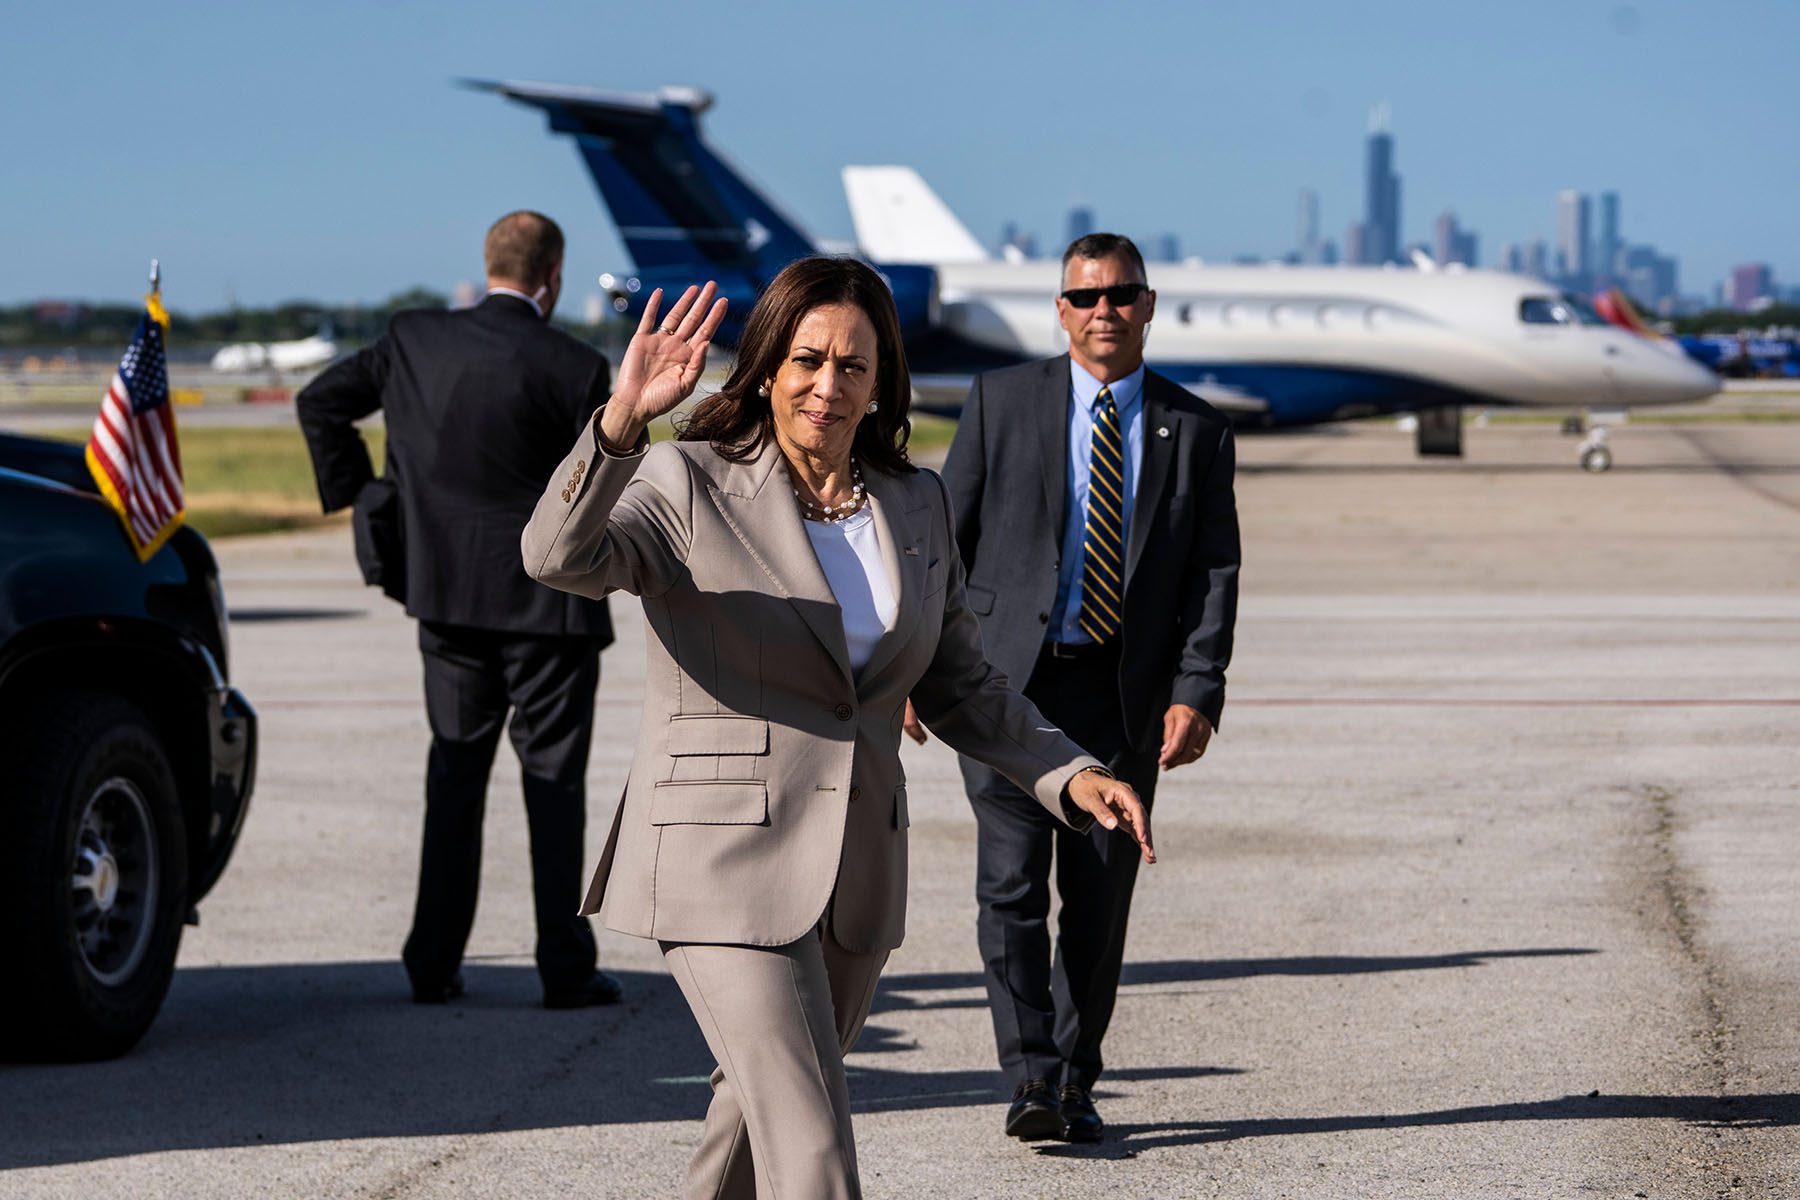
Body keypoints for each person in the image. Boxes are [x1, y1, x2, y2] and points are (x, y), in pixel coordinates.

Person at [521, 257, 1154, 1198]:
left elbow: (959, 681)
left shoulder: (914, 502)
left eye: (852, 365)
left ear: (881, 380)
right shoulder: (686, 479)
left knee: (751, 1128)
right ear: (768, 365)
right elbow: (558, 557)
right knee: (813, 1142)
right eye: (807, 359)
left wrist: (1066, 770)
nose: (827, 384)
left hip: (855, 866)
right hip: (721, 859)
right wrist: (622, 424)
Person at [929, 232, 1240, 1142]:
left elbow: (1213, 573)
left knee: (1098, 910)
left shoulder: (1198, 429)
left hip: (1122, 702)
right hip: (1005, 694)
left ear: (1148, 306)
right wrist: (920, 667)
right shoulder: (1000, 402)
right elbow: (944, 543)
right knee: (1011, 891)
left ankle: (1074, 1078)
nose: (1103, 310)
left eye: (1121, 295)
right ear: (1060, 310)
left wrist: (1198, 688)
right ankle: (1029, 1081)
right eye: (1085, 296)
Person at [296, 211, 623, 1010]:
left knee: (454, 775)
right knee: (553, 786)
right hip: (549, 607)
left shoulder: (412, 340)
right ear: (552, 276)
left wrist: (368, 498)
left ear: (488, 266)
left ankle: (432, 962)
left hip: (444, 599)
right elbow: (605, 482)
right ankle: (564, 968)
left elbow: (319, 404)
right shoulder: (576, 364)